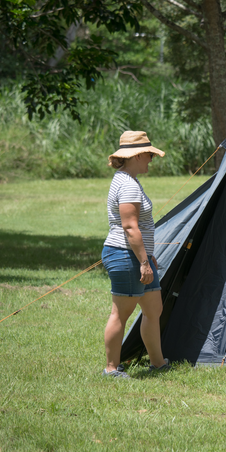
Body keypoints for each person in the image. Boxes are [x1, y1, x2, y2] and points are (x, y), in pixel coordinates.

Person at [100, 131, 170, 378]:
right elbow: (130, 227)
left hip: (138, 256)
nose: (151, 159)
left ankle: (158, 363)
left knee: (154, 309)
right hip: (125, 255)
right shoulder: (127, 184)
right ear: (138, 155)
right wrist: (143, 261)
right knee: (120, 313)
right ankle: (111, 369)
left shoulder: (126, 179)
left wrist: (147, 256)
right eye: (149, 155)